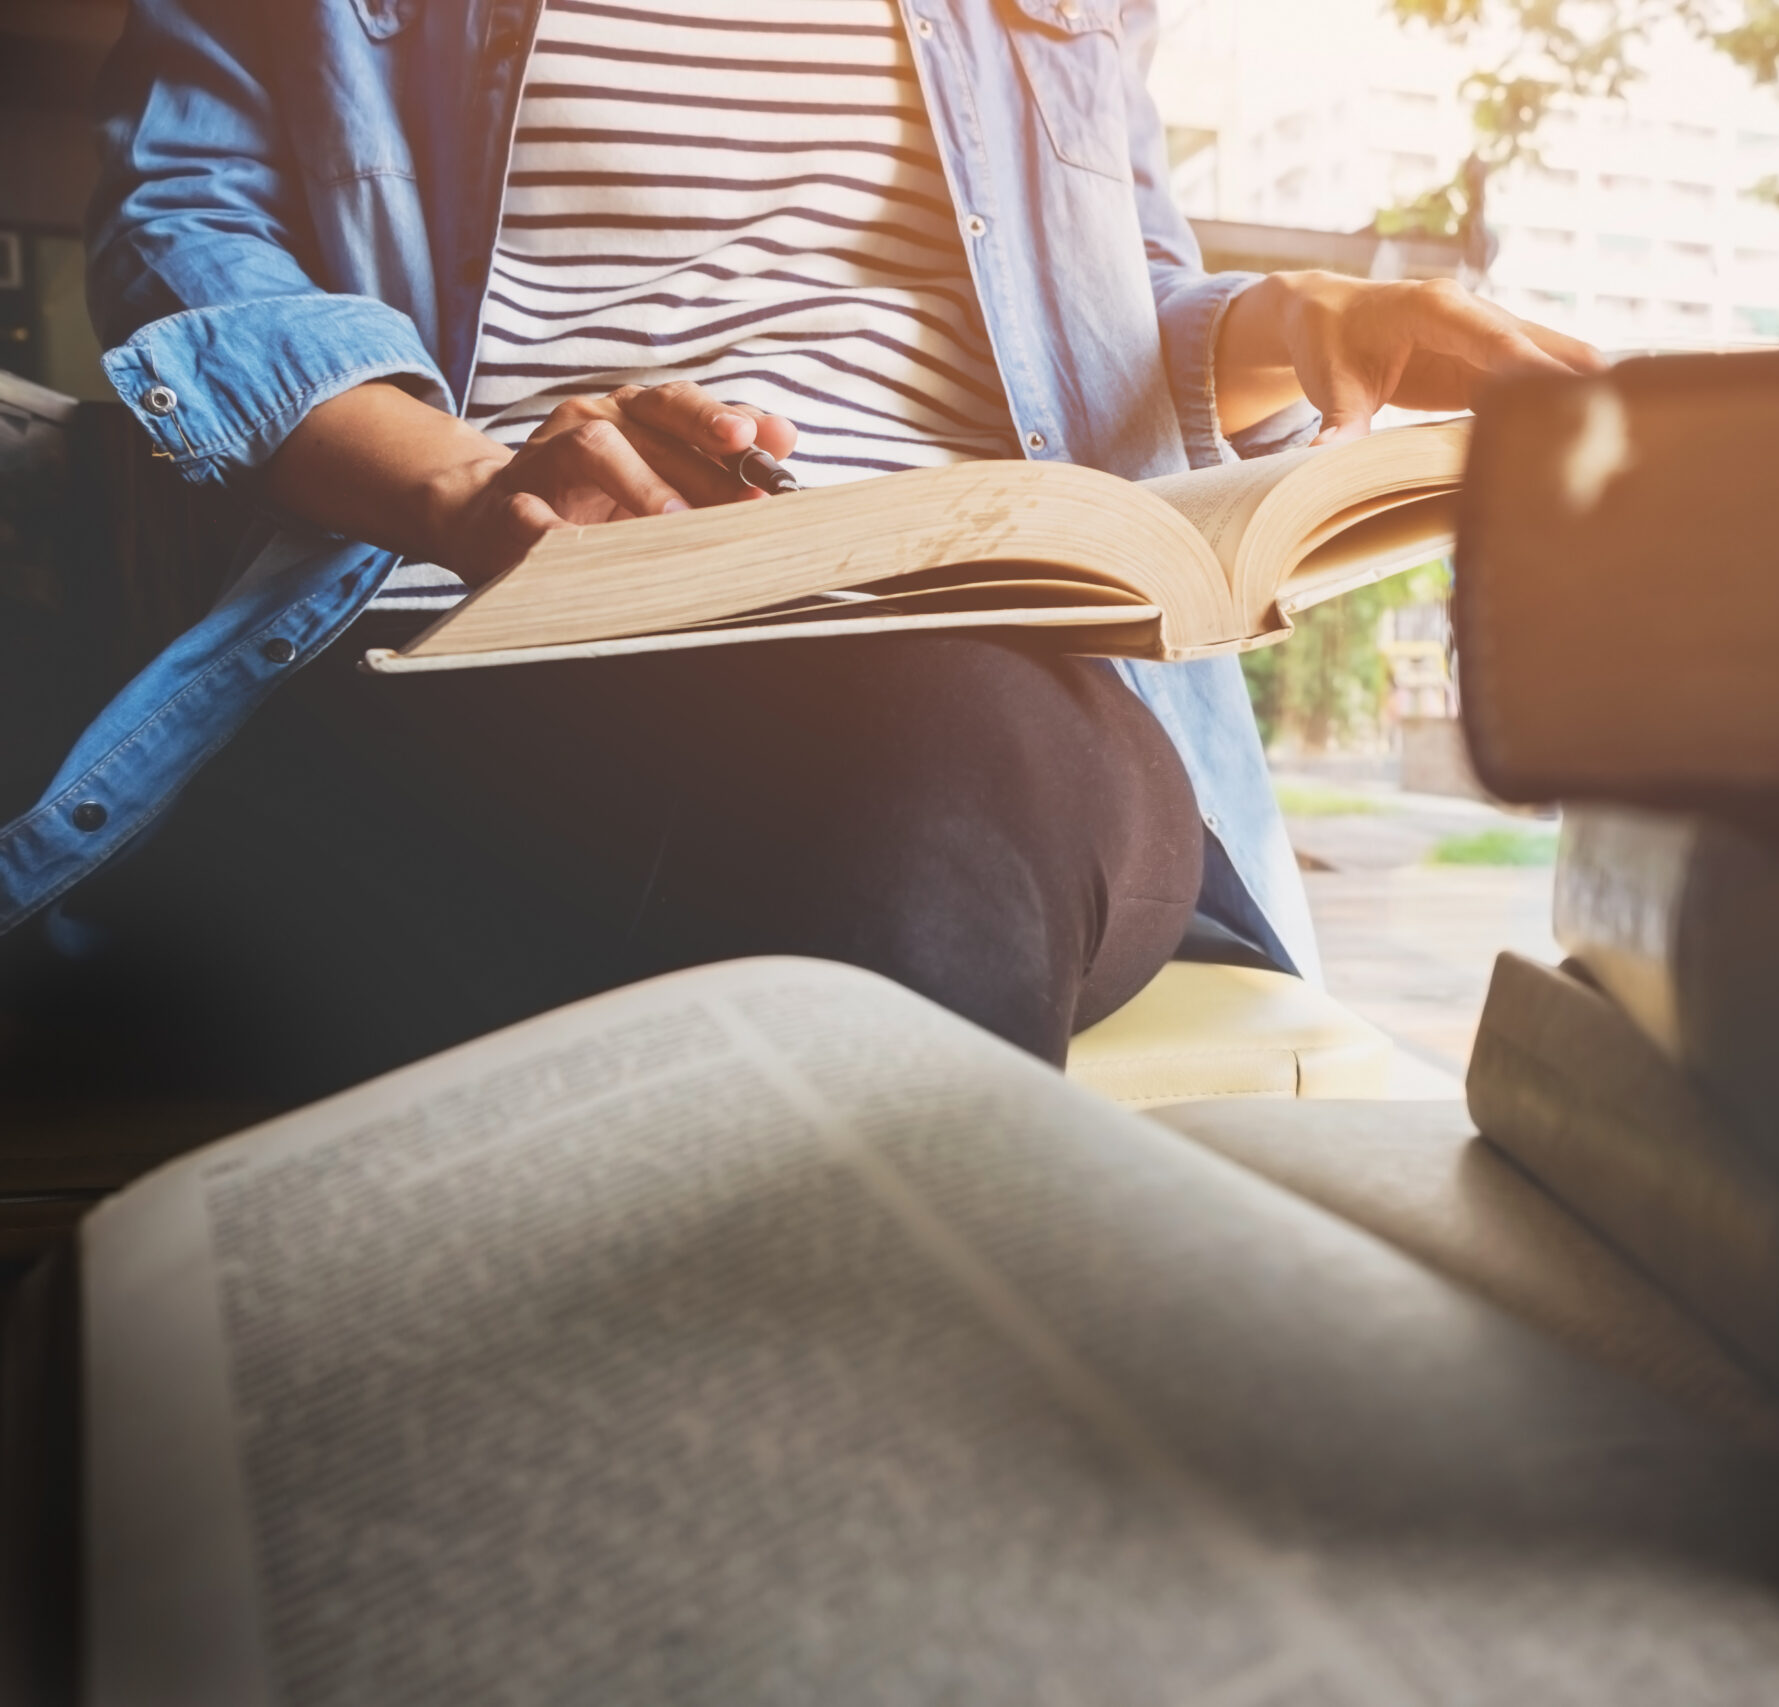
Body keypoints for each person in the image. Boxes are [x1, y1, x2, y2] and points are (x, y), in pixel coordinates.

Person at [0, 0, 1597, 1101]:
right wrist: (476, 492)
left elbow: (1111, 305)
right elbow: (188, 230)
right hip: (481, 641)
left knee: (934, 734)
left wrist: (1302, 327)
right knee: (905, 776)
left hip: (992, 690)